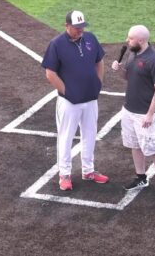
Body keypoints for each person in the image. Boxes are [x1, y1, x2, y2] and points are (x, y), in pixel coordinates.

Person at [41, 10, 109, 191]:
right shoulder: (56, 44)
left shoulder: (90, 39)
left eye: (82, 27)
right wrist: (67, 92)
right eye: (76, 28)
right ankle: (64, 174)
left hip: (90, 98)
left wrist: (98, 83)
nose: (80, 31)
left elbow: (99, 61)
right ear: (66, 26)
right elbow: (50, 73)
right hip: (69, 102)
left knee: (90, 134)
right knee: (66, 137)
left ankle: (88, 170)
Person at [111, 25, 155, 197]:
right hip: (129, 109)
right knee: (134, 145)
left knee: (153, 147)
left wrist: (150, 114)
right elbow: (129, 77)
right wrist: (119, 70)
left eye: (130, 38)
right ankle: (141, 177)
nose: (127, 41)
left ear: (141, 40)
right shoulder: (133, 53)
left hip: (145, 113)